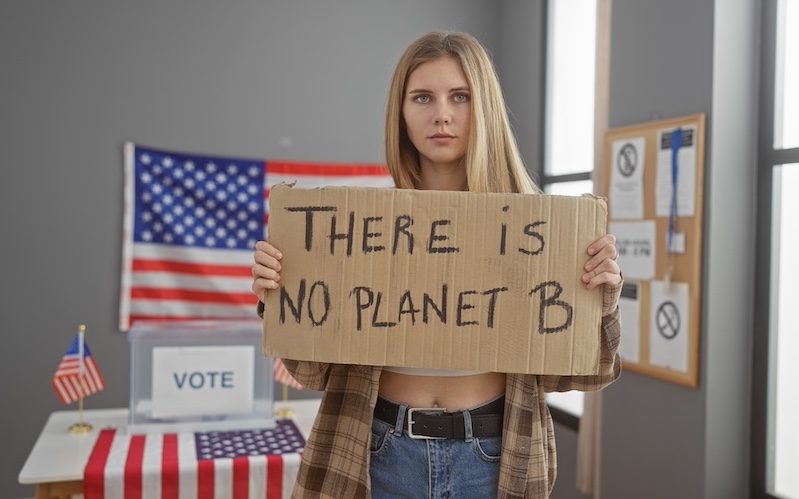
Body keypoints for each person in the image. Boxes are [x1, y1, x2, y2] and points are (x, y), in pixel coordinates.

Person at [252, 31, 622, 498]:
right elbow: (310, 372)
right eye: (422, 97)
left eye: (460, 97)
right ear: (401, 113)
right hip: (374, 452)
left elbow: (585, 373)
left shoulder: (542, 232)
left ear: (483, 106)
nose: (441, 115)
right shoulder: (358, 232)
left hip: (492, 457)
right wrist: (280, 297)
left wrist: (600, 299)